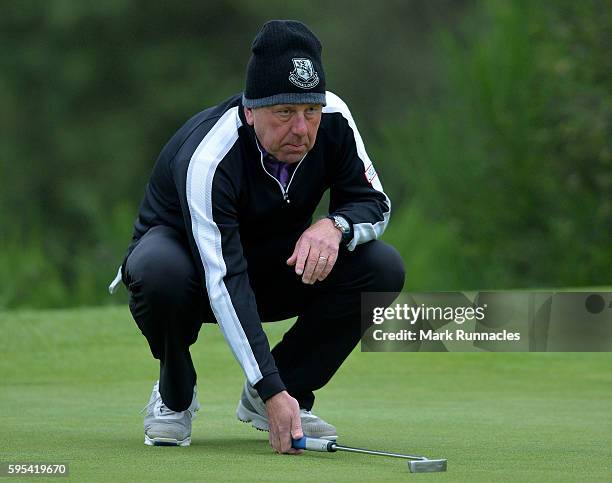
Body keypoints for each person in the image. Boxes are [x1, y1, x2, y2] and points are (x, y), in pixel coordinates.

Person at [109, 19, 405, 453]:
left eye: (310, 112)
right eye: (284, 113)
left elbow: (375, 202)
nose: (302, 129)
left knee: (381, 266)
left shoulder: (335, 119)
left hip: (274, 267)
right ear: (250, 110)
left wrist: (334, 225)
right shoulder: (211, 156)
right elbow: (224, 280)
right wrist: (269, 386)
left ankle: (290, 388)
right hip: (192, 276)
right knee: (159, 270)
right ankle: (174, 395)